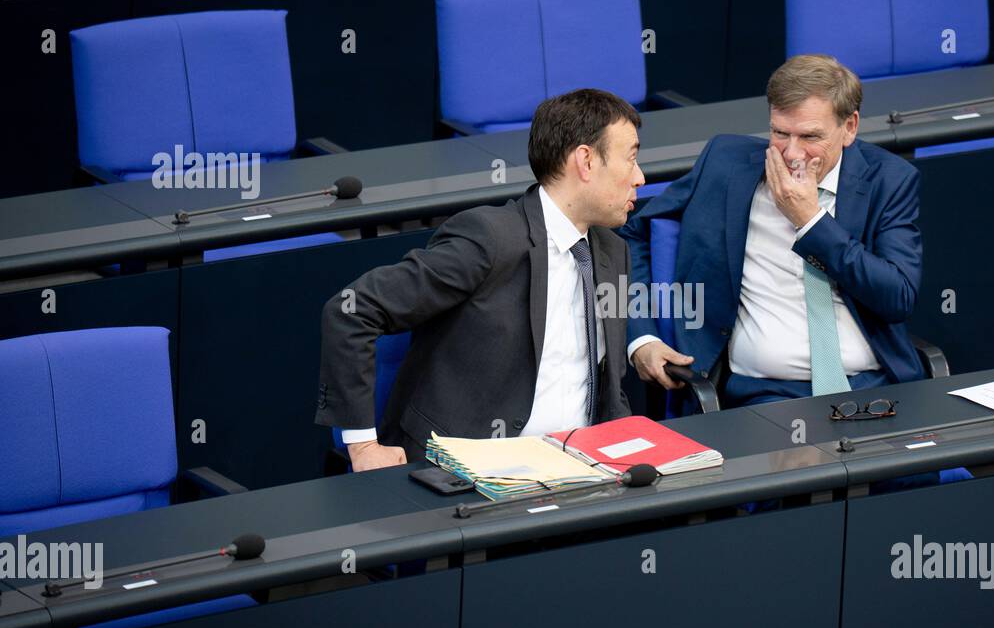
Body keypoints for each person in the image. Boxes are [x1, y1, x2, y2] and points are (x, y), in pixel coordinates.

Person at [316, 88, 643, 471]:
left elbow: (608, 387)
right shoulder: (488, 239)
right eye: (631, 158)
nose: (639, 177)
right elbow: (351, 311)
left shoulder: (612, 252)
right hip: (470, 474)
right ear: (585, 161)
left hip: (579, 470)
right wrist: (364, 448)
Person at [620, 54, 925, 407]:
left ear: (850, 127)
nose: (792, 153)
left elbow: (897, 297)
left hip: (875, 388)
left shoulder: (888, 180)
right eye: (780, 133)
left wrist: (811, 221)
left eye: (810, 136)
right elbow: (633, 236)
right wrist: (641, 337)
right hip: (765, 395)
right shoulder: (726, 163)